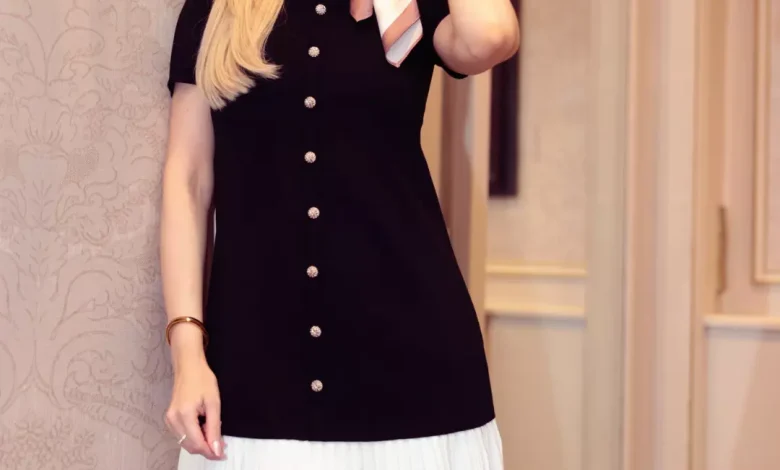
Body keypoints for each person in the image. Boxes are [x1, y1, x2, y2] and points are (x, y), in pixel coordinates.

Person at [160, 0, 519, 466]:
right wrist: (187, 355)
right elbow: (187, 182)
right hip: (256, 379)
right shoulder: (217, 9)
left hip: (414, 379)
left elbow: (491, 35)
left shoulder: (406, 5)